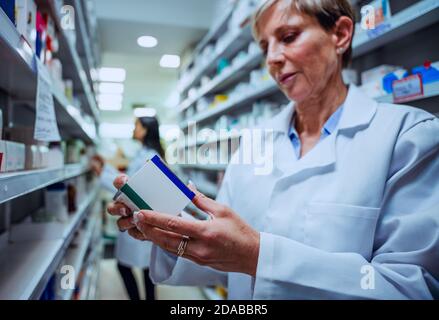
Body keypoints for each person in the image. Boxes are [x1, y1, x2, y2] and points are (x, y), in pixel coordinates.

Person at [108, 0, 439, 299]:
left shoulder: (408, 137)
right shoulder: (254, 141)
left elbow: (411, 287)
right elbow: (225, 257)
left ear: (340, 34)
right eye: (265, 46)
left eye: (289, 36)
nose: (272, 59)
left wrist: (258, 255)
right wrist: (172, 232)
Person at [93, 116, 165, 300]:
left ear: (145, 129)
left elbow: (133, 189)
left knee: (129, 267)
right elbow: (129, 179)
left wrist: (103, 175)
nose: (133, 129)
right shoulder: (145, 153)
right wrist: (106, 170)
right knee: (147, 270)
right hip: (140, 218)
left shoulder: (149, 157)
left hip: (140, 218)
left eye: (136, 126)